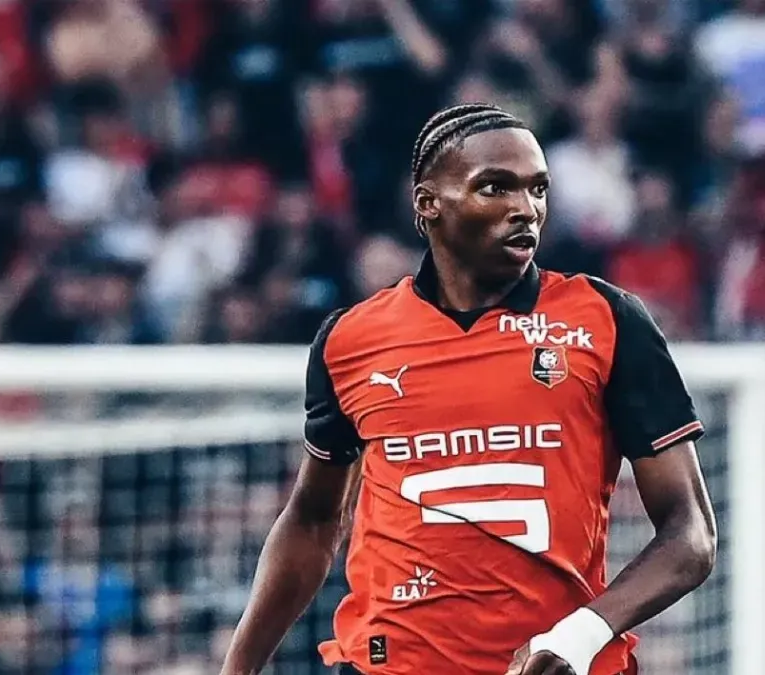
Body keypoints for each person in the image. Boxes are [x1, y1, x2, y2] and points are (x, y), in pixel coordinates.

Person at [220, 103, 717, 675]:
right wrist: (238, 668)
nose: (525, 209)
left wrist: (581, 635)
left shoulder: (605, 319)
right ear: (428, 202)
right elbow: (312, 520)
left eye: (538, 189)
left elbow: (691, 534)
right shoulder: (350, 340)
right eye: (495, 187)